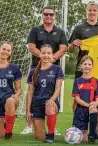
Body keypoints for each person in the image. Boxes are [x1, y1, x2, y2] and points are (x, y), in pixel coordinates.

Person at [68, 1, 98, 139]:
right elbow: (69, 48)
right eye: (90, 10)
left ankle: (96, 127)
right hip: (83, 69)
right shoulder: (79, 28)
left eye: (94, 10)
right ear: (86, 12)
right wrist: (73, 45)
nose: (92, 12)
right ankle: (77, 124)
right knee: (77, 98)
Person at [22, 6, 68, 135]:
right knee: (32, 93)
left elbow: (63, 48)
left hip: (53, 69)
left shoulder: (60, 31)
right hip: (36, 68)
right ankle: (29, 125)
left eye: (51, 14)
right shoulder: (35, 30)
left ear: (54, 16)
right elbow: (31, 47)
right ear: (42, 15)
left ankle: (52, 126)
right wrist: (43, 57)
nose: (48, 16)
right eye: (46, 14)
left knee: (53, 94)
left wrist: (51, 58)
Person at [26, 44, 64, 143]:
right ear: (40, 54)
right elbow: (30, 92)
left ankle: (51, 134)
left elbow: (58, 89)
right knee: (40, 137)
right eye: (43, 53)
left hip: (51, 102)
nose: (46, 55)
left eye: (48, 53)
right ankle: (43, 131)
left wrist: (52, 99)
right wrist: (28, 111)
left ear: (52, 55)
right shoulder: (33, 71)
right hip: (37, 104)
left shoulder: (57, 69)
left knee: (49, 105)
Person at [71, 55, 98, 144]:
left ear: (92, 66)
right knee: (81, 140)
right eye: (85, 64)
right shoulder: (77, 81)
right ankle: (84, 133)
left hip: (91, 108)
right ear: (81, 66)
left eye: (89, 64)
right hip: (80, 109)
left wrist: (93, 105)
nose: (87, 66)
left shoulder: (96, 81)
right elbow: (77, 98)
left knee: (94, 110)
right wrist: (88, 105)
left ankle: (92, 135)